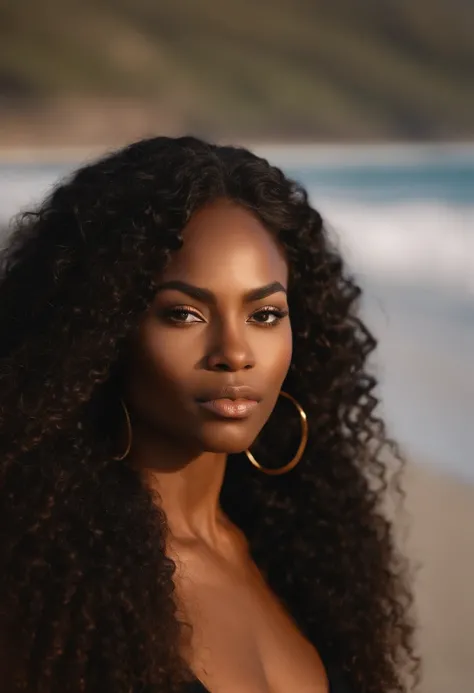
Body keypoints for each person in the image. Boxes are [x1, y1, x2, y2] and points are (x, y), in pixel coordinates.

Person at [0, 136, 418, 693]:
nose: (236, 352)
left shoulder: (301, 553)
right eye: (184, 314)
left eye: (265, 314)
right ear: (101, 332)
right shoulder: (39, 582)